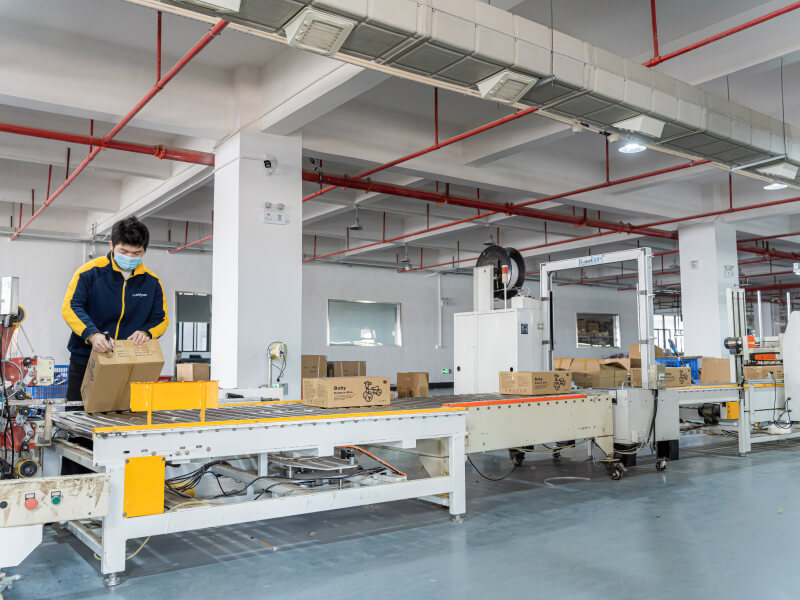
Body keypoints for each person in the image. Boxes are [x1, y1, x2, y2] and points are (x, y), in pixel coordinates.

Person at [62, 216, 168, 404]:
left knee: (125, 420)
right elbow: (71, 307)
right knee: (79, 420)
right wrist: (93, 335)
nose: (129, 257)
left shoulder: (152, 282)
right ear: (112, 245)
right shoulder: (89, 273)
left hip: (130, 362)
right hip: (86, 361)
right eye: (124, 251)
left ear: (144, 250)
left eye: (136, 253)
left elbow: (161, 319)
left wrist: (146, 333)